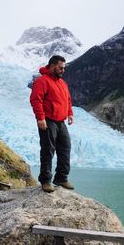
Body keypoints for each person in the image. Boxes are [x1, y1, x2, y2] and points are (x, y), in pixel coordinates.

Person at [30, 55, 74, 193]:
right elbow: (36, 100)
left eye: (64, 68)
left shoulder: (62, 83)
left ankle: (61, 177)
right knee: (48, 149)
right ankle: (45, 180)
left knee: (65, 148)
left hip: (61, 121)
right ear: (52, 65)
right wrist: (40, 118)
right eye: (60, 67)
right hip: (48, 120)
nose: (63, 70)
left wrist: (70, 113)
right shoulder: (42, 81)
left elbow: (67, 100)